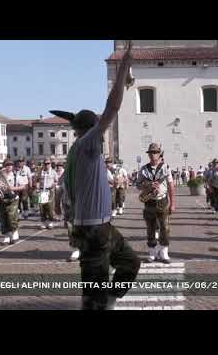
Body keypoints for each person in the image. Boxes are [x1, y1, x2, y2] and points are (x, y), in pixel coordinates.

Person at [52, 41, 140, 310]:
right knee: (93, 296)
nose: (103, 135)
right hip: (92, 230)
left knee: (129, 262)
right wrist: (123, 67)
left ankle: (111, 298)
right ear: (89, 130)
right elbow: (111, 110)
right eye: (98, 129)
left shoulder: (83, 149)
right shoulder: (86, 145)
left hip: (100, 227)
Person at [137, 143, 176, 264]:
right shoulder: (143, 169)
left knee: (165, 228)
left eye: (155, 152)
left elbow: (171, 186)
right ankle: (152, 253)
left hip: (162, 200)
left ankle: (164, 252)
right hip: (149, 201)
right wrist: (148, 185)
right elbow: (138, 185)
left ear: (159, 154)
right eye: (151, 153)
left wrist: (173, 203)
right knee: (150, 228)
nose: (153, 155)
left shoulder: (165, 168)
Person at [0, 159, 23, 245]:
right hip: (3, 198)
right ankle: (6, 236)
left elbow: (23, 186)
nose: (9, 167)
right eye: (7, 165)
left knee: (11, 216)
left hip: (13, 198)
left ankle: (15, 233)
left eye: (10, 165)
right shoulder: (0, 176)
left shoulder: (16, 175)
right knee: (3, 218)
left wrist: (13, 188)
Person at [36, 158, 58, 229]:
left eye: (48, 163)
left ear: (50, 164)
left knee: (50, 207)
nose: (47, 165)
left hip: (50, 190)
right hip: (43, 190)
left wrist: (54, 185)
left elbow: (56, 181)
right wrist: (37, 187)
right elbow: (37, 180)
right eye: (45, 163)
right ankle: (44, 222)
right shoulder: (40, 171)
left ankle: (50, 221)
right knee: (42, 207)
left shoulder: (53, 172)